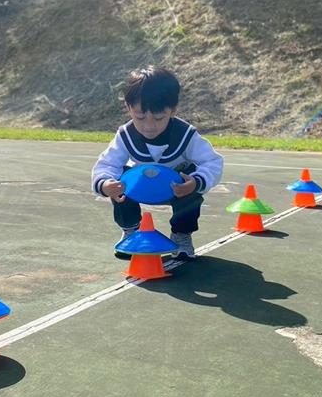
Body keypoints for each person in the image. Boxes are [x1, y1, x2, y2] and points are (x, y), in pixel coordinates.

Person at [91, 67, 224, 261]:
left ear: (173, 110)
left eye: (159, 117)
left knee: (192, 179)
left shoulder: (185, 135)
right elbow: (107, 164)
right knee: (118, 180)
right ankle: (131, 231)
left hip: (177, 190)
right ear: (128, 108)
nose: (149, 126)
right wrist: (104, 184)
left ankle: (181, 236)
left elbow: (212, 161)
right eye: (140, 117)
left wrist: (196, 182)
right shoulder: (125, 135)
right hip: (140, 189)